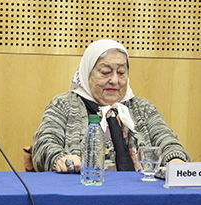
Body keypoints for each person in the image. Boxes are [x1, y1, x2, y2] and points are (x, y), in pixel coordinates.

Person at [32, 39, 189, 173]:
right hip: (85, 192)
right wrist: (62, 159)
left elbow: (166, 140)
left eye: (121, 73)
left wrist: (175, 159)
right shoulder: (64, 105)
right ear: (87, 73)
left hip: (140, 195)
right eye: (106, 72)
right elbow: (45, 144)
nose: (114, 80)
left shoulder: (141, 107)